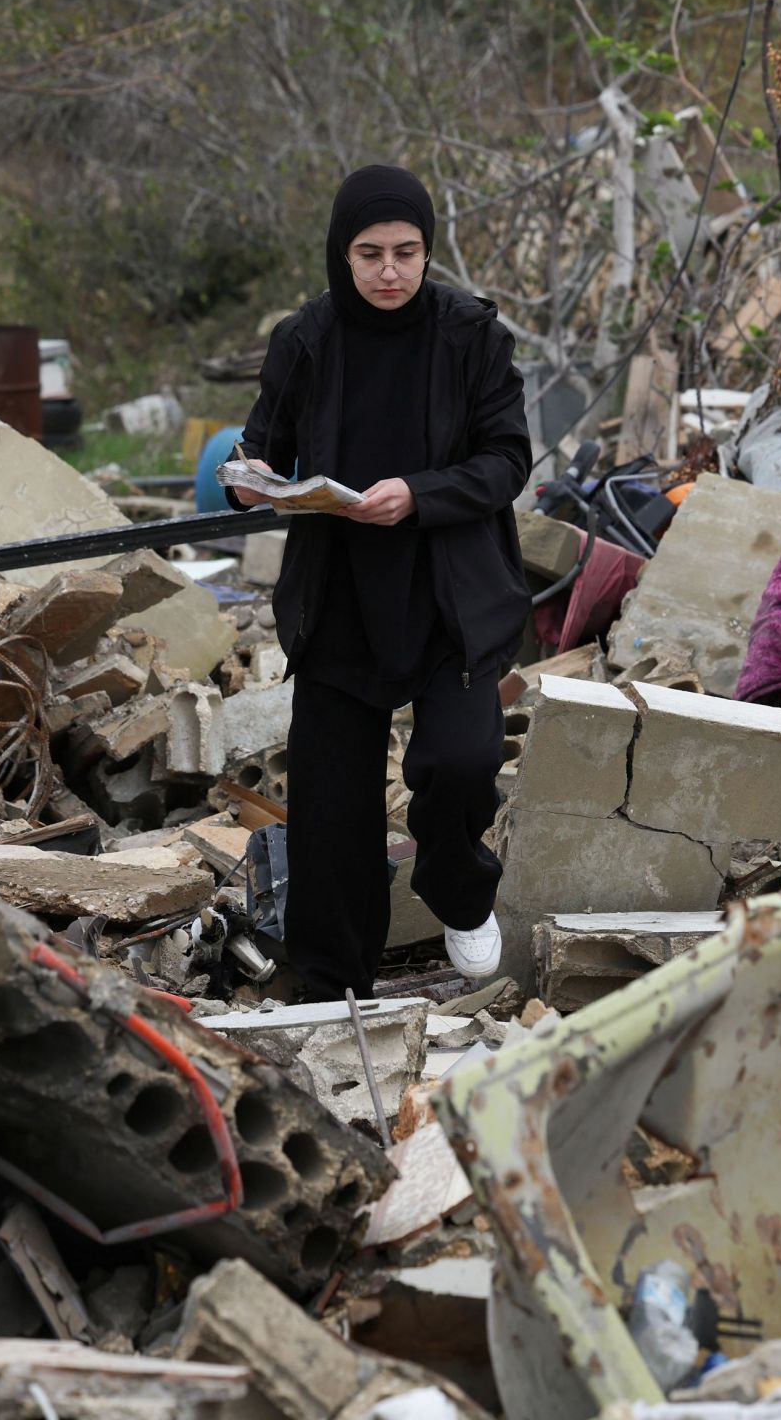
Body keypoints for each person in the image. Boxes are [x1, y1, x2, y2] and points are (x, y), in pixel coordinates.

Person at [229, 164, 532, 1001]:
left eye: (407, 252)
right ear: (342, 252)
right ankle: (334, 986)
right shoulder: (307, 339)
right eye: (371, 254)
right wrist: (250, 479)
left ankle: (457, 890)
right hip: (341, 600)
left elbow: (508, 460)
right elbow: (261, 449)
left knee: (465, 761)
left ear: (429, 252)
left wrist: (421, 494)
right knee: (332, 812)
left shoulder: (473, 336)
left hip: (450, 595)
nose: (390, 271)